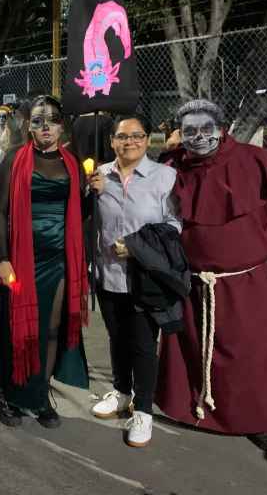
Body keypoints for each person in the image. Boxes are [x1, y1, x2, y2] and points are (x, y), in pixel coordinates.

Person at [155, 99, 267, 450]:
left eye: (206, 129)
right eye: (189, 130)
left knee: (257, 358)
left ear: (220, 129)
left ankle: (262, 420)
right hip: (194, 285)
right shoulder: (170, 166)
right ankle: (200, 410)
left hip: (252, 284)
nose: (198, 137)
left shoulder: (256, 161)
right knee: (198, 352)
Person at [0, 95, 89, 429]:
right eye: (38, 120)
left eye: (52, 120)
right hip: (22, 259)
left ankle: (40, 394)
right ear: (28, 126)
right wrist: (3, 258)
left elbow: (80, 213)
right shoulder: (14, 159)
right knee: (18, 330)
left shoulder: (72, 162)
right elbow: (0, 212)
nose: (46, 126)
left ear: (62, 126)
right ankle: (11, 394)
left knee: (51, 329)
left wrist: (94, 192)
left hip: (61, 259)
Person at [87, 113, 182, 448]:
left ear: (148, 139)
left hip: (145, 278)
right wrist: (91, 193)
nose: (130, 142)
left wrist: (139, 248)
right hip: (107, 274)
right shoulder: (99, 175)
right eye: (122, 136)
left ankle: (143, 410)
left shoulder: (165, 177)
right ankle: (122, 391)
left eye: (137, 135)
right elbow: (86, 219)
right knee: (117, 338)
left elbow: (174, 225)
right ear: (112, 141)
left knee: (143, 344)